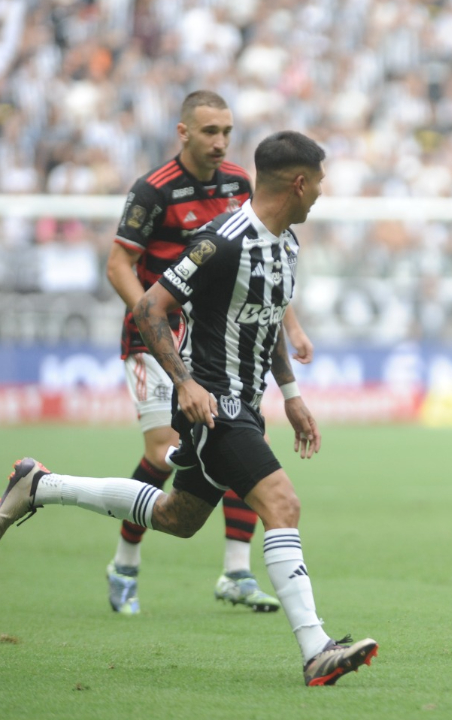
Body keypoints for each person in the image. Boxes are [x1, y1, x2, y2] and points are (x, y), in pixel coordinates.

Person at [1, 130, 378, 686]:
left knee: (177, 516)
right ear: (299, 183)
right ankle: (316, 648)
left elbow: (267, 319)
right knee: (281, 501)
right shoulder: (220, 241)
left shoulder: (285, 244)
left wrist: (292, 393)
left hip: (247, 404)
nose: (322, 192)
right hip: (212, 405)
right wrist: (183, 383)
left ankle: (39, 485)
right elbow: (151, 308)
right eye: (319, 181)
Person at [104, 90, 312, 615]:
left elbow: (259, 267)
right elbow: (118, 266)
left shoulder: (242, 183)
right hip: (156, 336)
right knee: (161, 451)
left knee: (241, 437)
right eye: (209, 132)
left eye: (227, 131)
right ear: (184, 133)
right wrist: (161, 319)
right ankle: (126, 559)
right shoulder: (152, 191)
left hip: (220, 341)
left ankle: (237, 571)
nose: (220, 142)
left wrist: (289, 322)